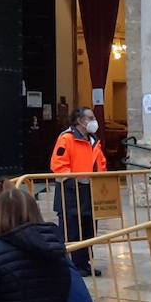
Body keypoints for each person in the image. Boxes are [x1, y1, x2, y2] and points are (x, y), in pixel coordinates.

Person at [50, 107, 108, 276]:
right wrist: (74, 179)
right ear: (80, 121)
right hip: (71, 191)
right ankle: (70, 265)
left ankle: (84, 263)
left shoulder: (94, 140)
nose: (94, 120)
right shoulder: (66, 138)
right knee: (71, 230)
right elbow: (58, 164)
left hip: (90, 190)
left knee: (89, 229)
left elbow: (101, 163)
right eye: (91, 117)